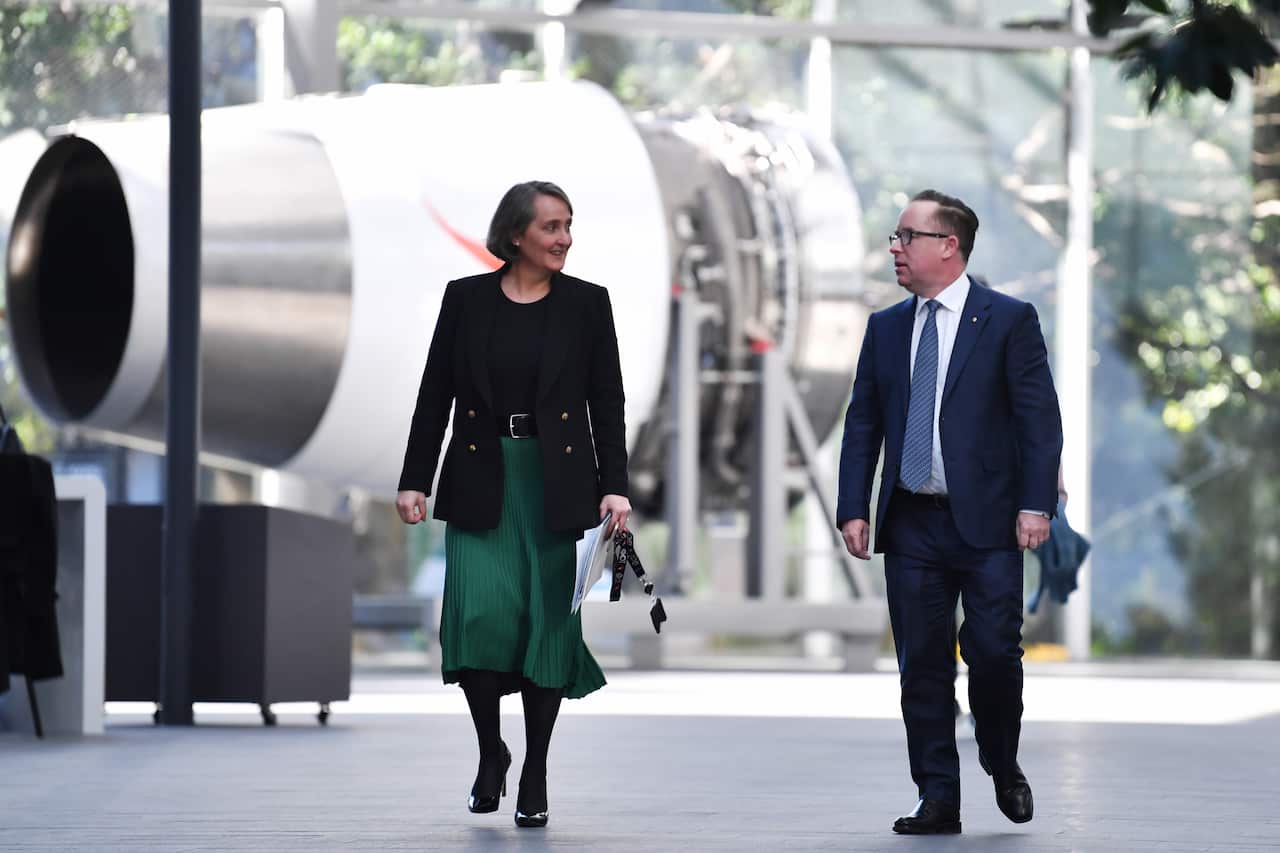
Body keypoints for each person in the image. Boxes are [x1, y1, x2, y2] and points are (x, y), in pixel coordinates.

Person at [395, 180, 632, 829]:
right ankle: (488, 750)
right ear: (516, 235)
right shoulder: (466, 300)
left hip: (554, 482)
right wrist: (414, 478)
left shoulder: (587, 304)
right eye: (551, 227)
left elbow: (605, 402)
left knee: (546, 627)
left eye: (567, 225)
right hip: (480, 477)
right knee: (479, 619)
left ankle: (535, 768)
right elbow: (434, 394)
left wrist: (616, 483)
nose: (564, 238)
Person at [836, 190, 1062, 835]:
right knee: (922, 666)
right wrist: (854, 506)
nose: (894, 247)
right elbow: (862, 425)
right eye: (896, 236)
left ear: (948, 246)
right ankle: (938, 797)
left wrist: (1035, 504)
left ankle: (1000, 756)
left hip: (990, 521)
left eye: (906, 235)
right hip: (911, 522)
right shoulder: (885, 328)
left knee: (993, 653)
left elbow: (1038, 421)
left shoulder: (1008, 320)